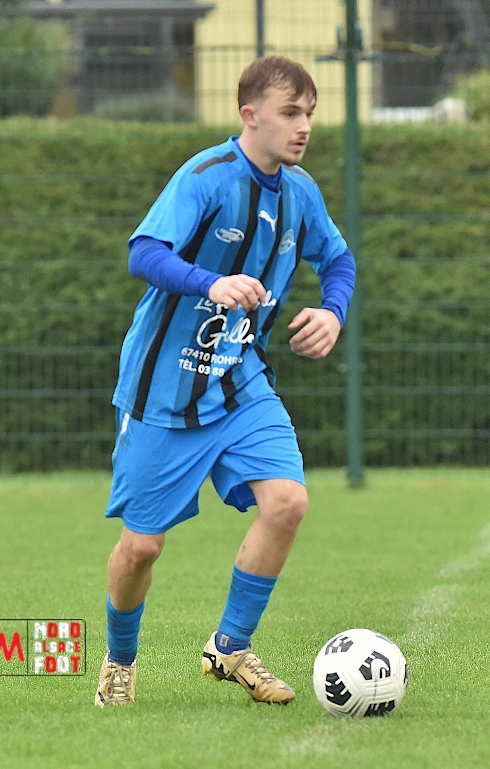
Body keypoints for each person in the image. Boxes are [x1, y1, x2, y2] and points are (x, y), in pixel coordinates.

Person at [95, 56, 356, 708]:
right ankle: (120, 660)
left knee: (287, 502)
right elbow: (144, 253)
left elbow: (338, 259)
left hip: (241, 382)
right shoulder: (207, 177)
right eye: (290, 113)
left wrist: (332, 311)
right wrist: (210, 282)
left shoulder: (301, 192)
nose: (303, 127)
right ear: (250, 115)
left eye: (310, 114)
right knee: (141, 548)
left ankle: (231, 645)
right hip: (163, 390)